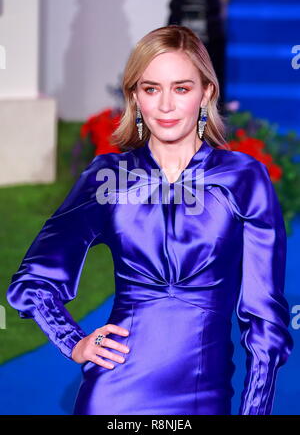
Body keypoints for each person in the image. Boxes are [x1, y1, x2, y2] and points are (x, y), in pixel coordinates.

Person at [6, 25, 293, 415]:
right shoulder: (108, 177)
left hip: (201, 397)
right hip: (112, 396)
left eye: (182, 88)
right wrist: (71, 339)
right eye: (151, 88)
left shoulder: (243, 179)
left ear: (206, 93)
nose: (165, 106)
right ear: (135, 97)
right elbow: (34, 279)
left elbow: (265, 324)